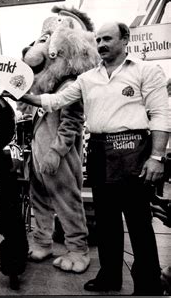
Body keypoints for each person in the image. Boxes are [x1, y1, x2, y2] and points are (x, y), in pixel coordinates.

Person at [19, 22, 169, 295]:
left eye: (107, 39)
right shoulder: (87, 78)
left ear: (125, 39)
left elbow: (161, 114)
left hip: (133, 148)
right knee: (107, 219)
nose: (101, 44)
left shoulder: (147, 70)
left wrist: (157, 156)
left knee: (138, 221)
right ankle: (109, 277)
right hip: (99, 149)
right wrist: (22, 95)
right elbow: (56, 100)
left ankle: (147, 283)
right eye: (98, 39)